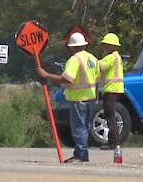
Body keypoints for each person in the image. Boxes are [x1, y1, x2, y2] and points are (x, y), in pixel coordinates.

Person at [37, 32, 99, 163]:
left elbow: (67, 79)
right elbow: (98, 79)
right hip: (91, 98)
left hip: (78, 99)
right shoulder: (92, 59)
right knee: (84, 127)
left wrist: (46, 75)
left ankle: (81, 155)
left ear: (72, 47)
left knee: (78, 128)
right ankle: (81, 153)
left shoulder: (75, 60)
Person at [98, 33, 124, 150]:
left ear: (111, 45)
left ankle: (113, 143)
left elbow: (101, 66)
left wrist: (91, 61)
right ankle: (114, 142)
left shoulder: (111, 57)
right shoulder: (116, 57)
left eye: (106, 45)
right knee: (110, 116)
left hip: (111, 90)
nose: (104, 47)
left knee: (110, 117)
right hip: (115, 90)